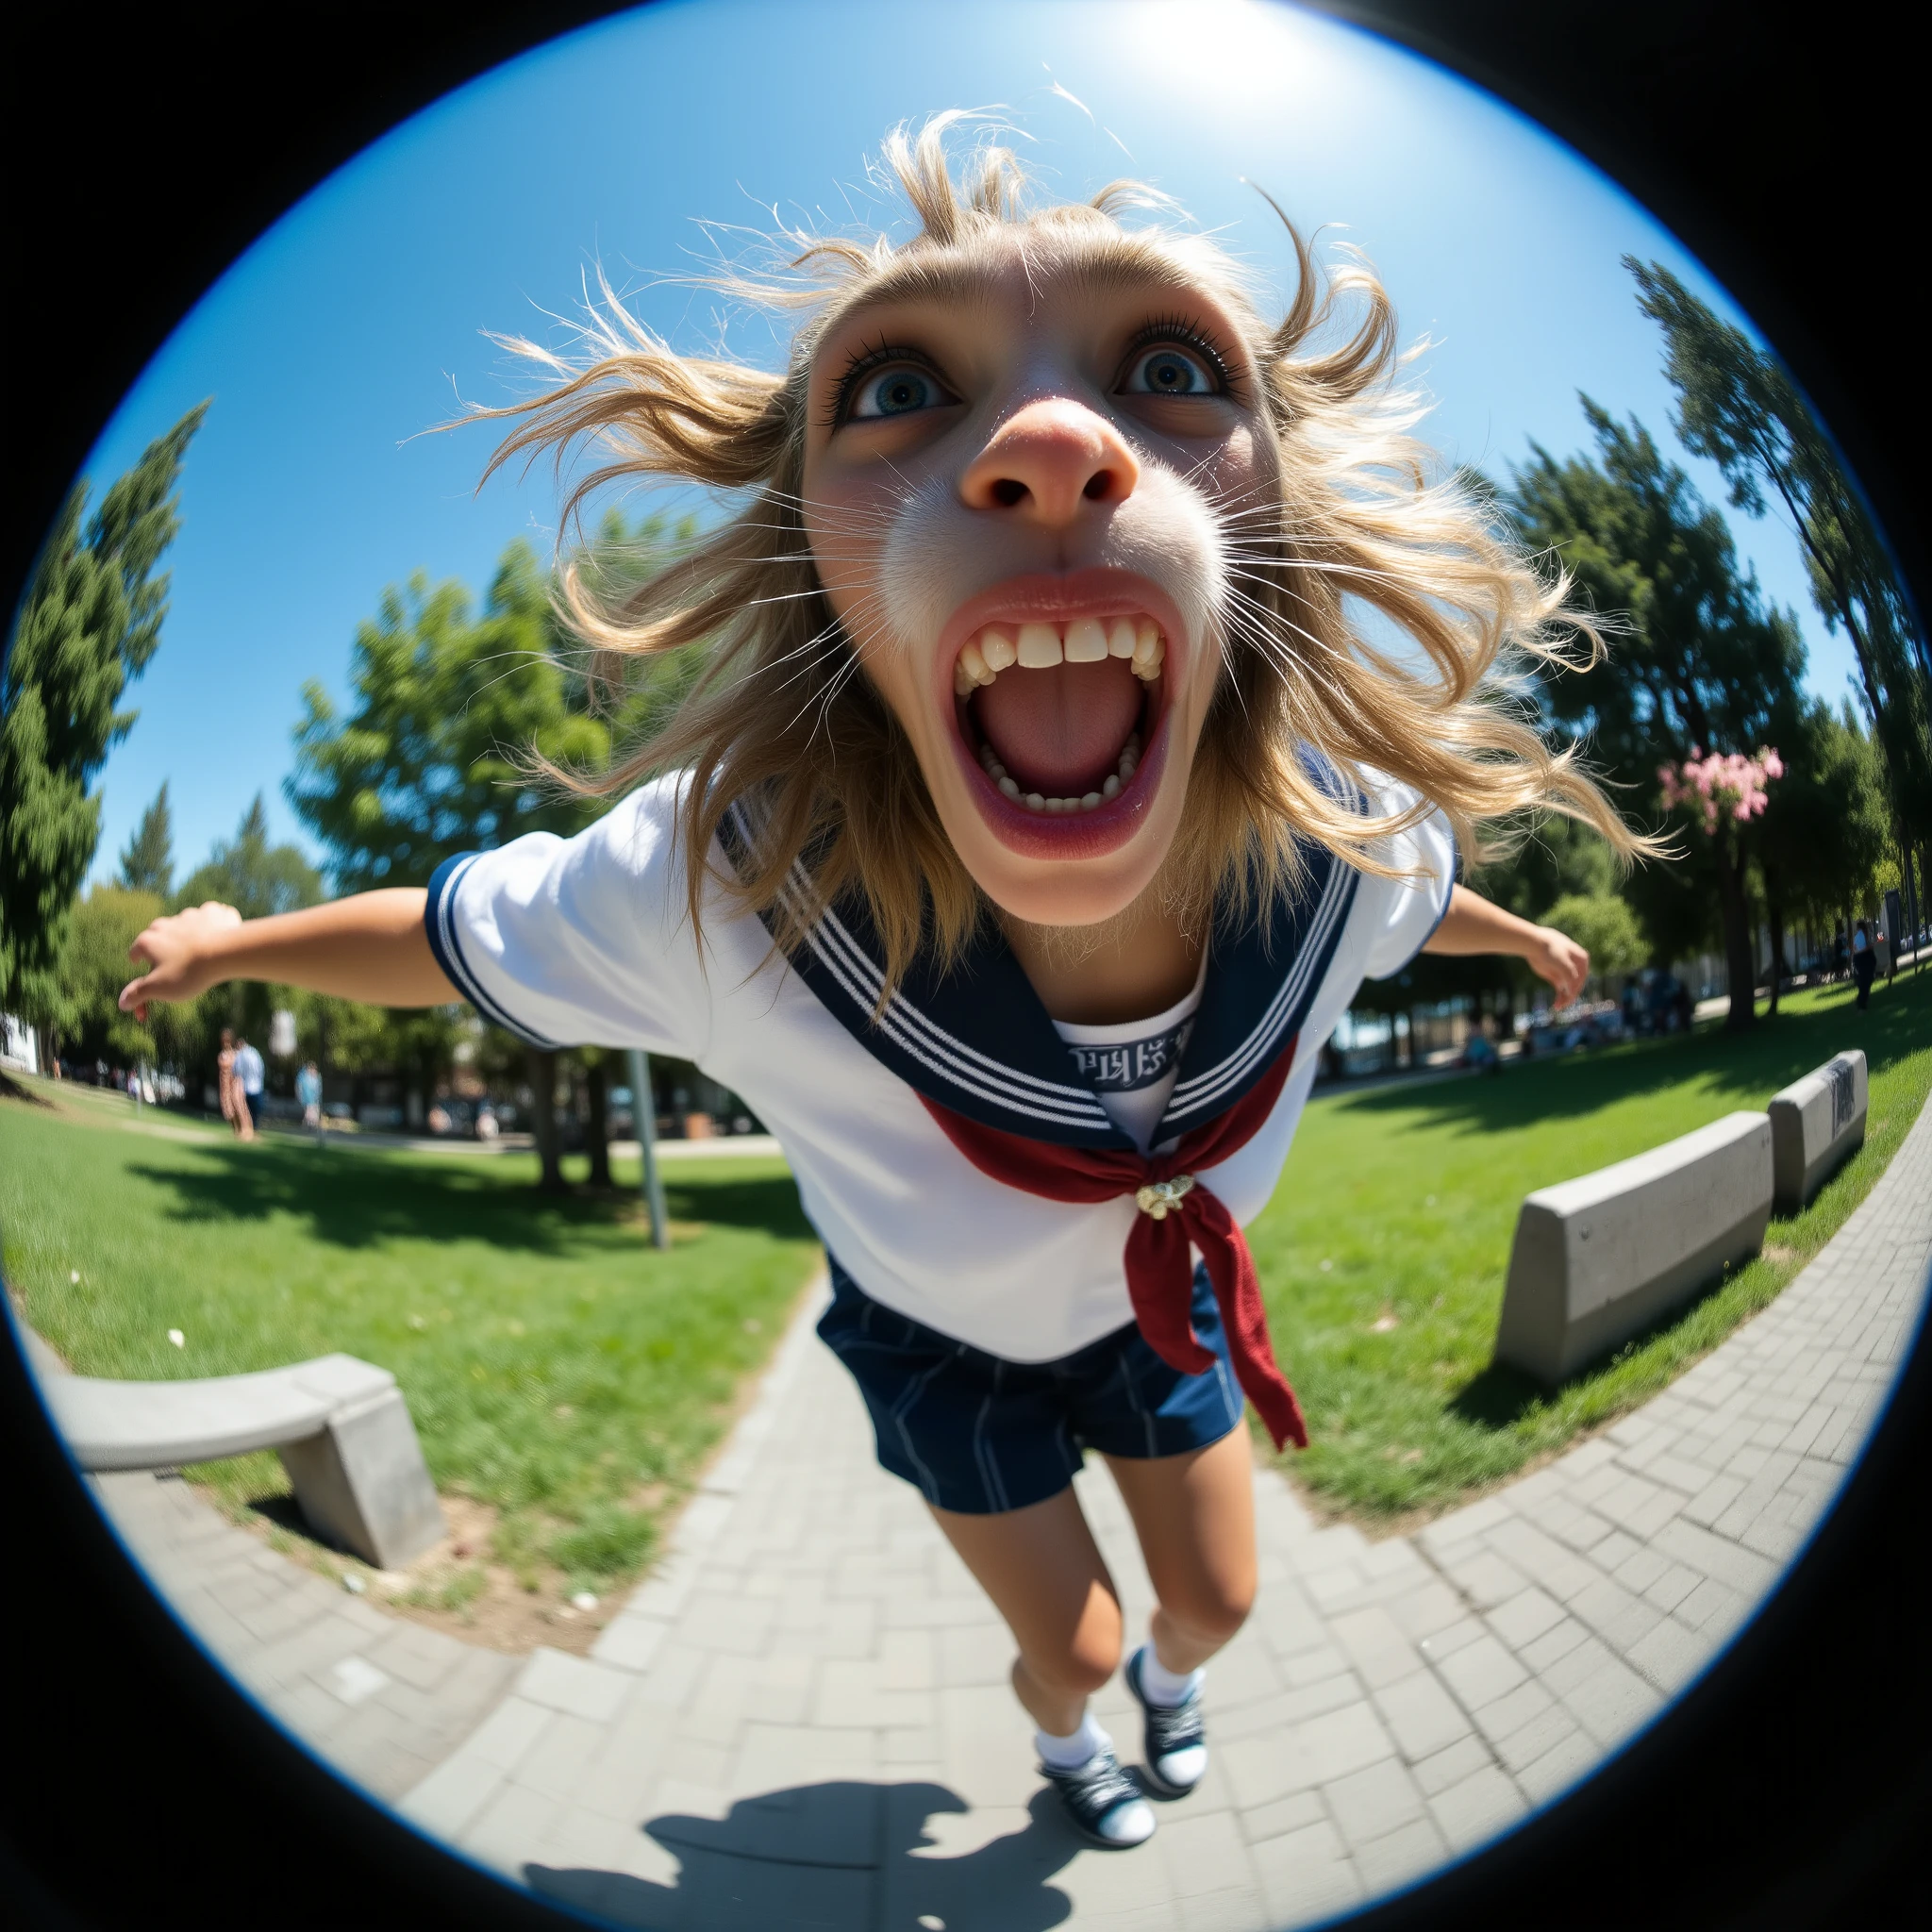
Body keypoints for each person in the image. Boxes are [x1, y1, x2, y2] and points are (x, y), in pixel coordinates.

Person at [117, 120, 1644, 1854]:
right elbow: (453, 936)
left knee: (1209, 1602)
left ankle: (1166, 1687)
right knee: (1060, 1641)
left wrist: (1516, 940)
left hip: (1163, 1312)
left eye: (1166, 366)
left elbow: (1408, 908)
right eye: (898, 385)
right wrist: (233, 944)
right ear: (813, 574)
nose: (1052, 443)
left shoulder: (1346, 827)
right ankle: (1068, 1735)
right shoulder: (724, 880)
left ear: (1279, 517)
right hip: (942, 1350)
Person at [232, 1033, 263, 1140]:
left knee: (246, 1110)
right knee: (255, 1111)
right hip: (257, 1085)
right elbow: (260, 1068)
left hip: (245, 1086)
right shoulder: (255, 1052)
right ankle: (255, 1130)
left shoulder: (241, 1054)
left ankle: (247, 1130)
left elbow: (236, 1070)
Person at [215, 1027, 243, 1137]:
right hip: (225, 1085)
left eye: (227, 1040)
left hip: (235, 1083)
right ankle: (235, 1129)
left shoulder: (235, 1054)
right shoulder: (222, 1055)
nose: (226, 1043)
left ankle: (240, 1129)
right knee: (227, 1109)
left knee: (236, 1106)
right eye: (224, 1040)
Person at [1852, 918, 1877, 1011]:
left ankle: (1861, 1002)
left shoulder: (1858, 936)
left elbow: (1856, 950)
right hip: (1864, 960)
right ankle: (1861, 1004)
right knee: (1866, 982)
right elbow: (1861, 950)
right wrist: (1870, 946)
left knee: (1865, 982)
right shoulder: (1862, 936)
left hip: (1861, 960)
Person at [296, 1059, 323, 1133]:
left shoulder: (317, 1077)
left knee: (313, 1113)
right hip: (307, 1098)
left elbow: (318, 1089)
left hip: (315, 1099)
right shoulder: (304, 1077)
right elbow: (299, 1087)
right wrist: (300, 1096)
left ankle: (309, 1127)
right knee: (309, 1113)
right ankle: (308, 1127)